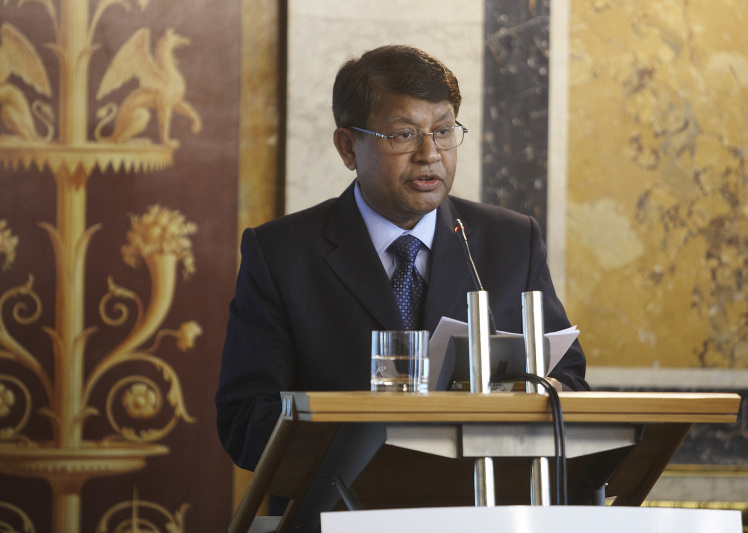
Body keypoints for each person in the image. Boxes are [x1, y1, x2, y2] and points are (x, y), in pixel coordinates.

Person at [216, 44, 589, 478]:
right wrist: (372, 443)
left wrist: (540, 396)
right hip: (342, 502)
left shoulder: (511, 241)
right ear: (348, 147)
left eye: (444, 131)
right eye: (404, 134)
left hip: (481, 499)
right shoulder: (281, 253)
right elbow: (245, 419)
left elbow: (571, 380)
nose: (430, 154)